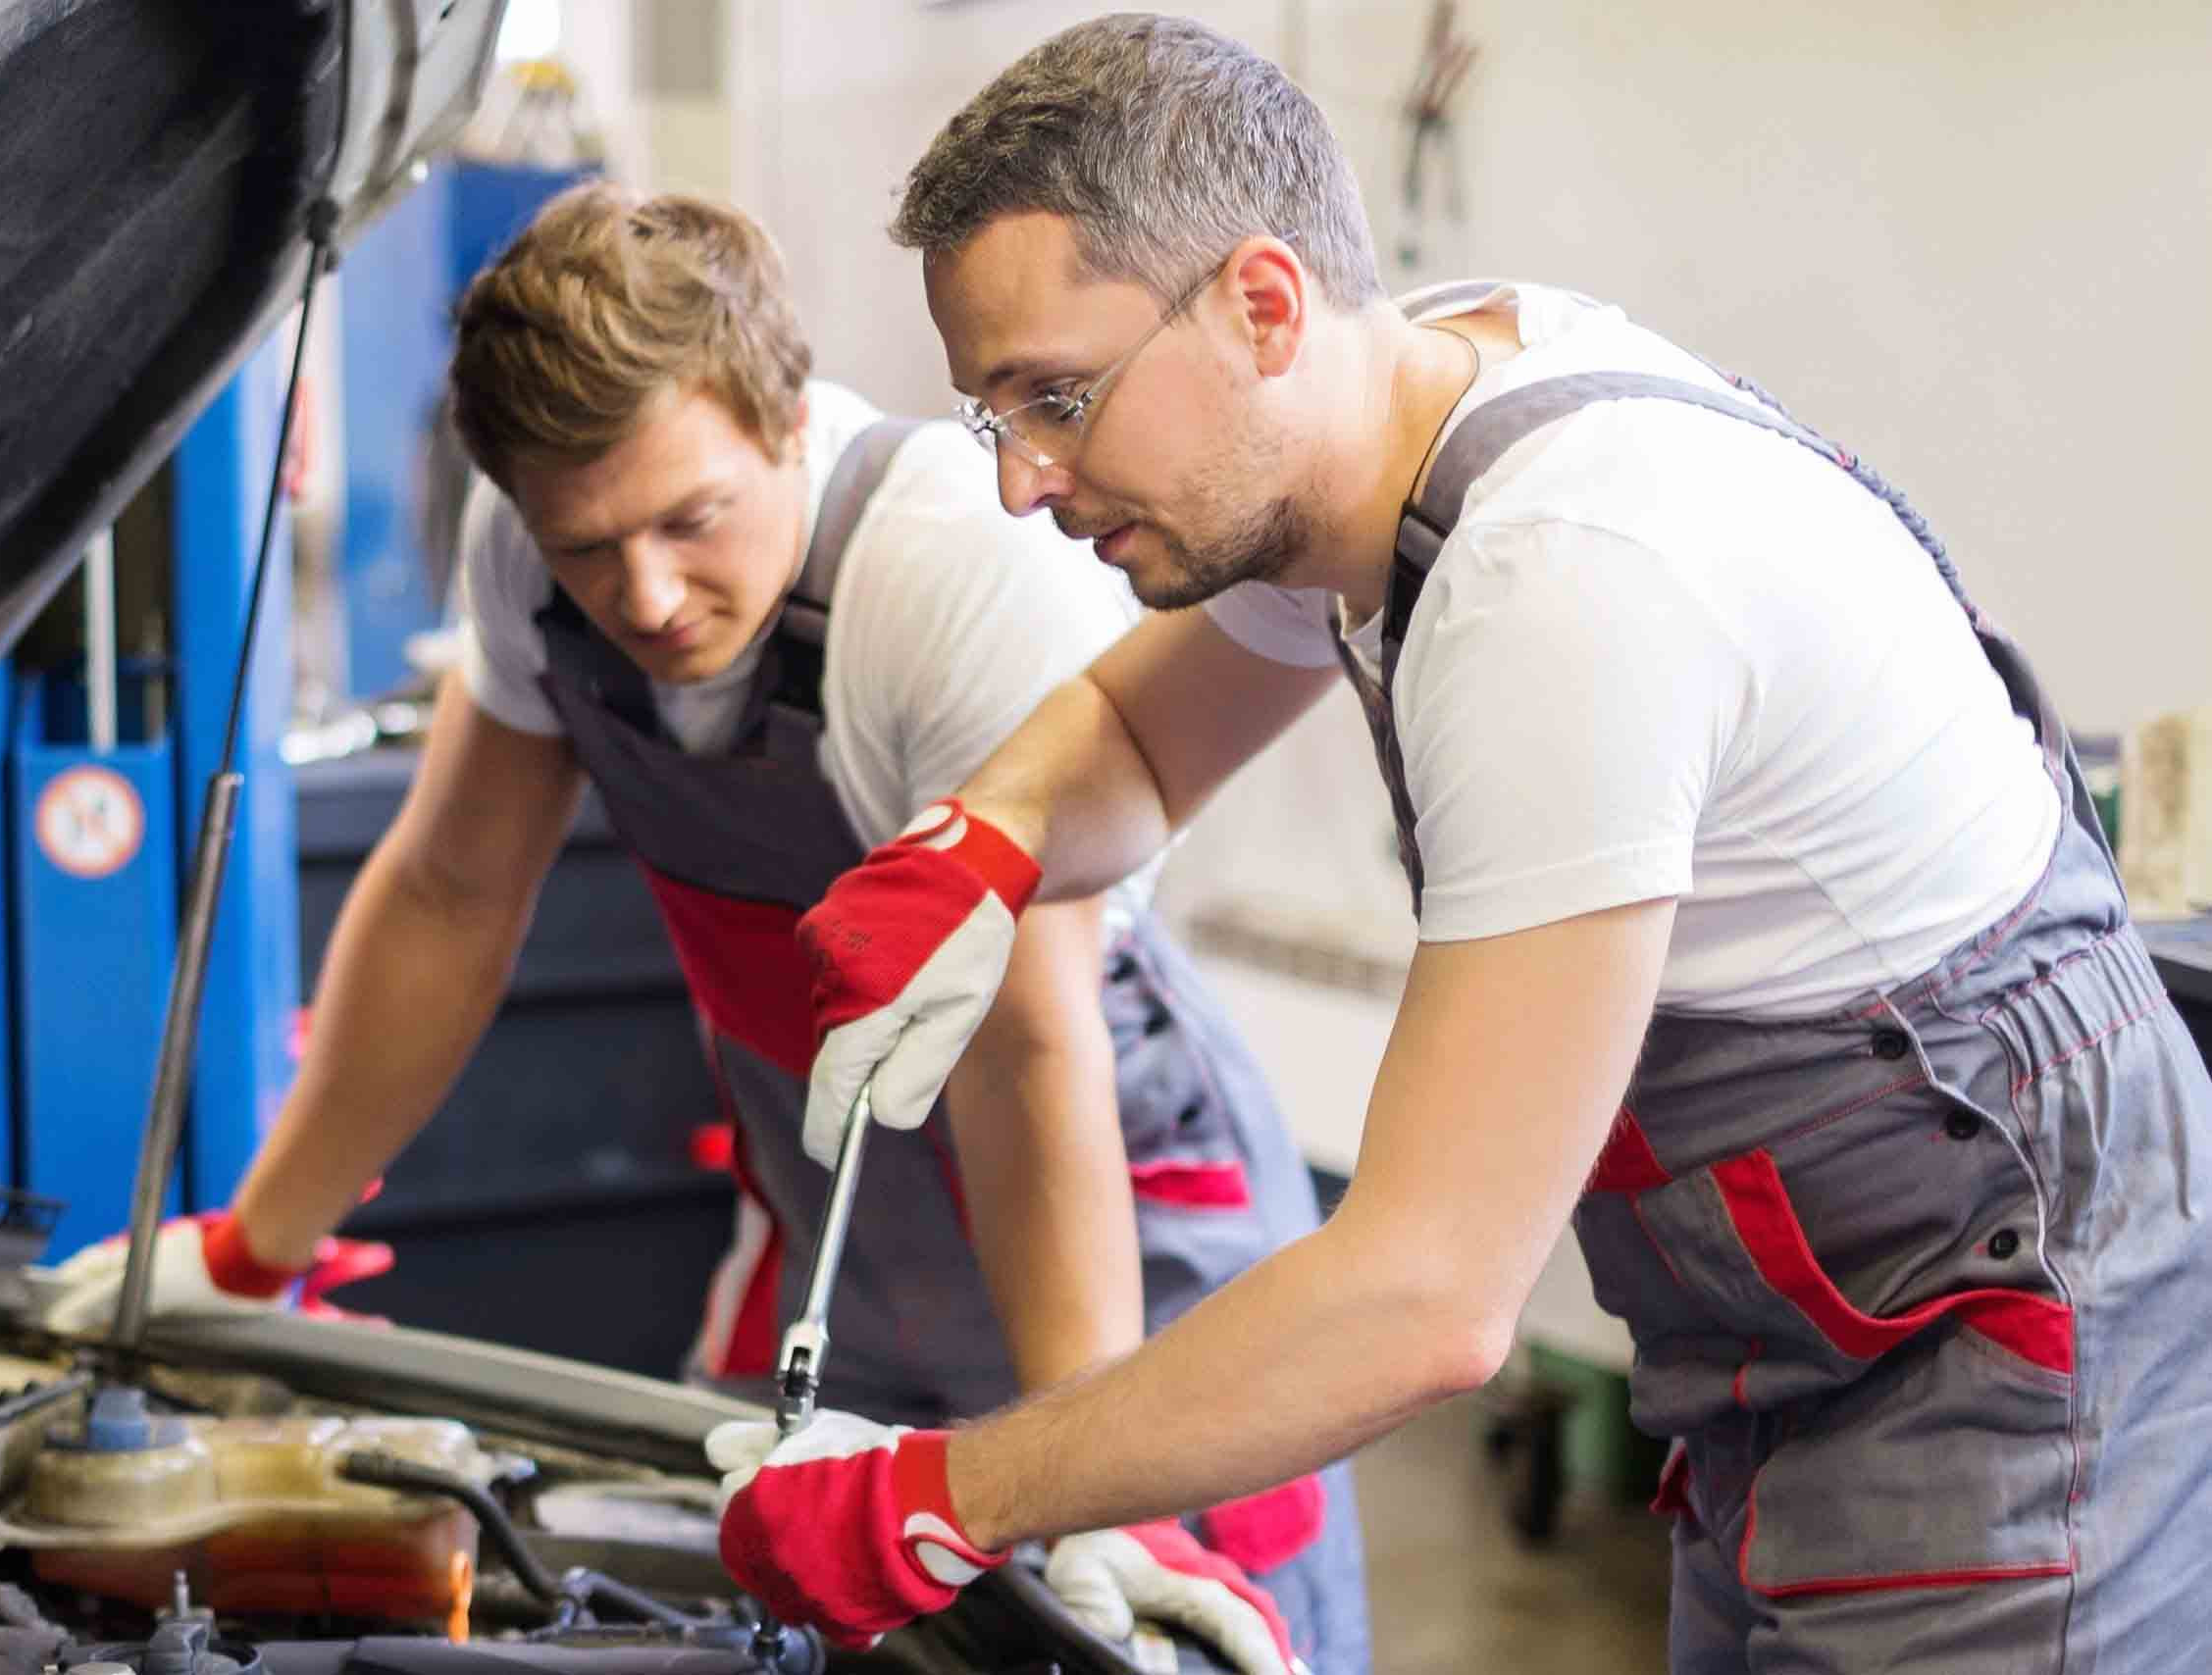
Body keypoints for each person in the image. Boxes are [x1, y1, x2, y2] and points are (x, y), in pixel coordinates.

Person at [707, 15, 2212, 1673]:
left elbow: (1421, 1300)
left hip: (2006, 1367)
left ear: (1264, 304)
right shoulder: (1382, 404)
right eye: (994, 418)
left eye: (1053, 399)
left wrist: (939, 1495)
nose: (1021, 484)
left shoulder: (1560, 579)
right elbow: (1137, 738)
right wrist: (972, 845)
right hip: (1790, 1363)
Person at [43, 180, 1366, 1673]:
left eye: (691, 520)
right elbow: (448, 898)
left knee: (1159, 1634)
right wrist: (252, 1249)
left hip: (1117, 1214)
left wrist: (1096, 1479)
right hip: (839, 1207)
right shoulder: (535, 546)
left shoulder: (944, 577)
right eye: (588, 547)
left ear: (786, 417)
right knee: (778, 1603)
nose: (647, 595)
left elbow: (1019, 1050)